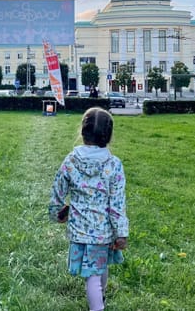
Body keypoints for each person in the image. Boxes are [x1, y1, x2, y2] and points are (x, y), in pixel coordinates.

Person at [49, 107, 128, 311]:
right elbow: (117, 203)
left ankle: (98, 300)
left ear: (83, 132)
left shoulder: (71, 160)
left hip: (79, 229)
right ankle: (98, 304)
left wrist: (58, 211)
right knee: (96, 272)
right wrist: (121, 233)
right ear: (108, 136)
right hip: (104, 231)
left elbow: (58, 187)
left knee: (95, 270)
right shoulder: (114, 165)